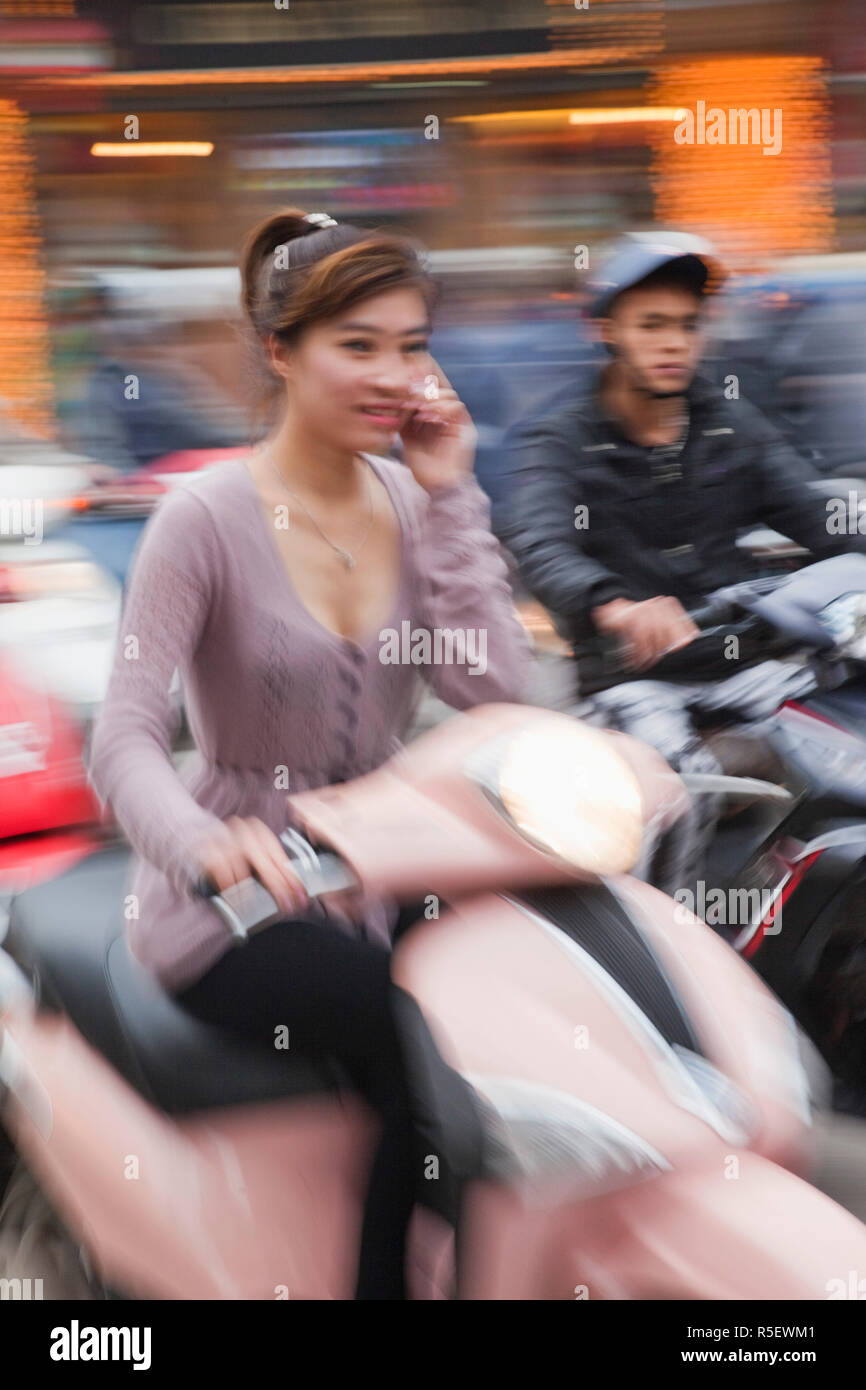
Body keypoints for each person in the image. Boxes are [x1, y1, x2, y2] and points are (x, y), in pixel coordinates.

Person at [86, 207, 534, 1299]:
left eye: (411, 344)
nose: (393, 374)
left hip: (386, 867)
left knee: (539, 990)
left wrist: (450, 495)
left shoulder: (408, 497)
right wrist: (204, 845)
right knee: (416, 1029)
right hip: (234, 902)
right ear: (279, 351)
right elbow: (125, 736)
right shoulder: (201, 518)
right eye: (358, 344)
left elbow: (497, 691)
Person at [496, 231, 866, 890]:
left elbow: (819, 520)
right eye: (652, 325)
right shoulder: (563, 438)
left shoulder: (729, 422)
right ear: (605, 330)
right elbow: (540, 542)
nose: (674, 343)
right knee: (671, 820)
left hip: (746, 671)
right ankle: (670, 954)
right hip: (630, 691)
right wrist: (616, 606)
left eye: (688, 326)